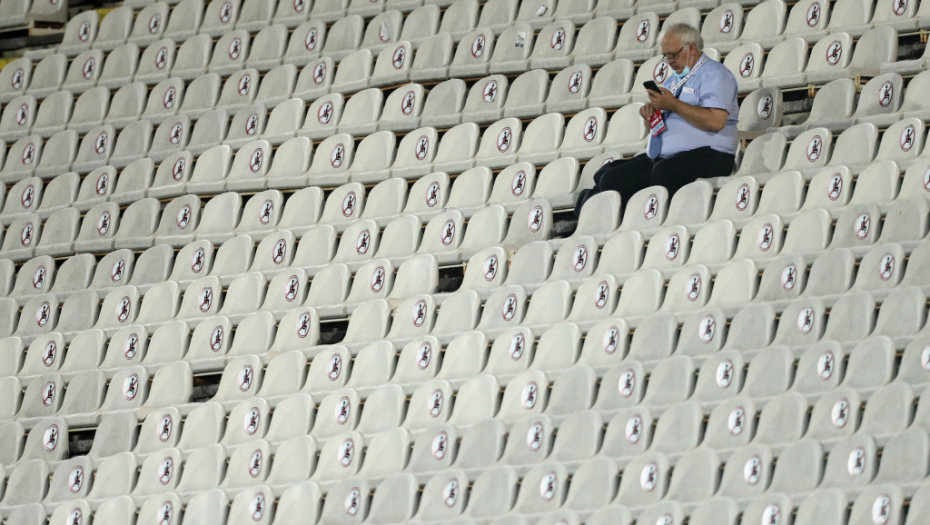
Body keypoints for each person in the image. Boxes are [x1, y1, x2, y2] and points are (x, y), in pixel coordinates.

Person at [575, 23, 739, 215]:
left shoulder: (715, 75)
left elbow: (715, 122)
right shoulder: (673, 80)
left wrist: (674, 105)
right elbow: (661, 127)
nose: (669, 61)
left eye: (673, 54)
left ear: (691, 48)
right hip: (666, 156)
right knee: (611, 178)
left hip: (711, 154)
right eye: (666, 56)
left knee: (664, 173)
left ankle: (663, 224)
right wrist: (650, 118)